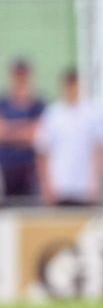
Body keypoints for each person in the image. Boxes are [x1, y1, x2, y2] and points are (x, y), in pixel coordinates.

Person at [34, 67, 103, 206]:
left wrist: (96, 182)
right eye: (69, 84)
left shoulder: (93, 113)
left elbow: (99, 150)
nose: (72, 88)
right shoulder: (52, 114)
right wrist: (46, 186)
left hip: (85, 189)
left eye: (75, 84)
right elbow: (42, 152)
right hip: (59, 188)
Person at [0, 57, 46, 201]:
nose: (21, 77)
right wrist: (26, 129)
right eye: (18, 73)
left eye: (24, 73)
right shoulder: (3, 103)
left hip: (32, 169)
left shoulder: (39, 105)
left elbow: (37, 135)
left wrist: (10, 130)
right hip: (7, 168)